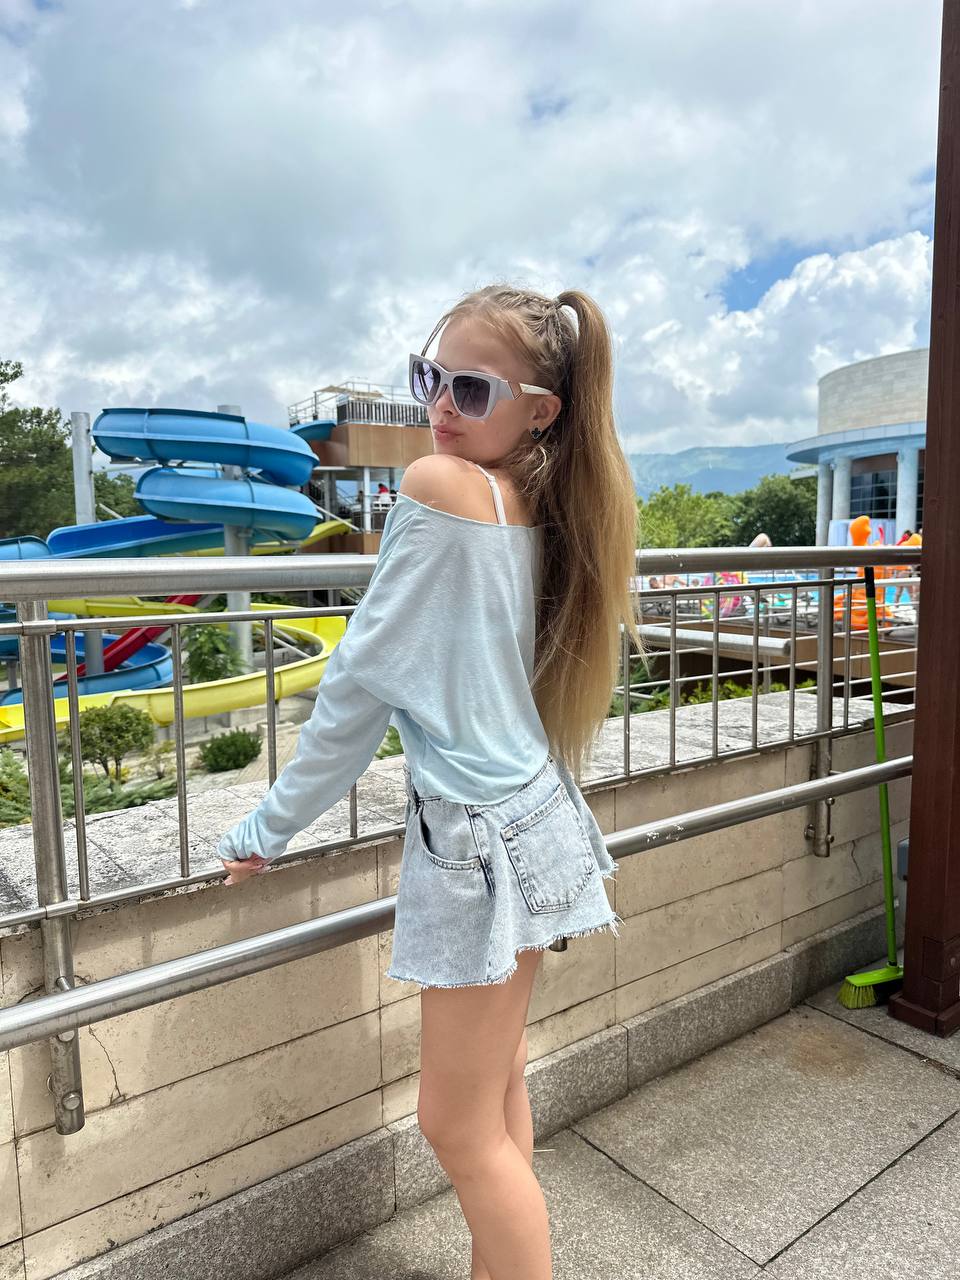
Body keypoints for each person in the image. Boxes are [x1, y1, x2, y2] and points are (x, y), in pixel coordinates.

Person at [217, 284, 643, 1280]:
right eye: (428, 377)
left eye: (470, 387)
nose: (439, 406)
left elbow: (360, 685)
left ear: (541, 410)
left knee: (455, 1126)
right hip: (533, 813)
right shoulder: (533, 500)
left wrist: (265, 828)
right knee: (496, 1094)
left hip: (479, 840)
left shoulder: (441, 484)